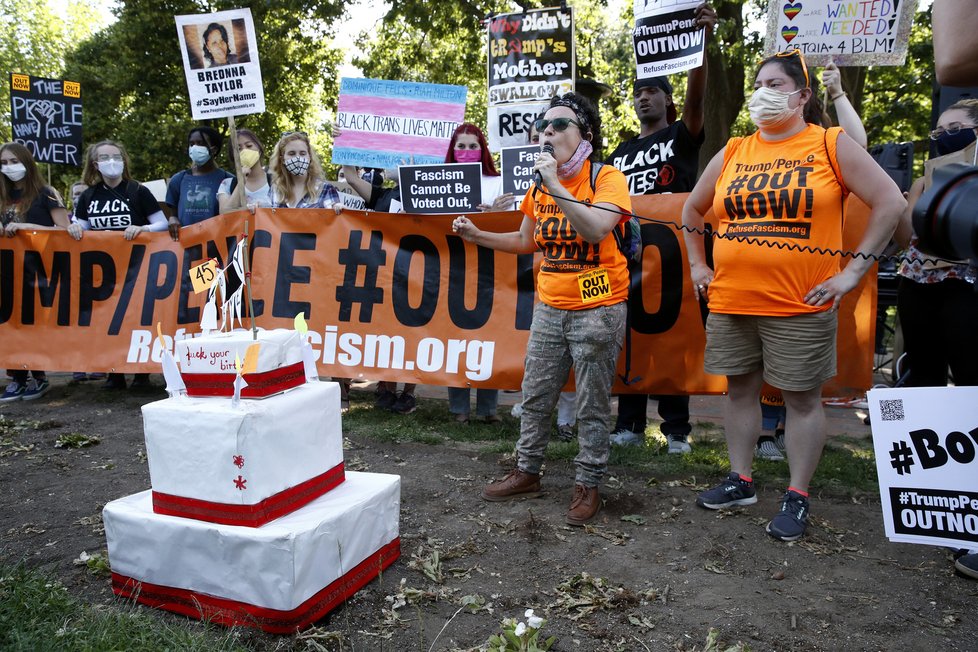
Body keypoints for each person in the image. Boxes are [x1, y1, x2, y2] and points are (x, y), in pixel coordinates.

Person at [681, 50, 904, 541]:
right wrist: (698, 264)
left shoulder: (830, 144)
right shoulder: (735, 150)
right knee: (739, 390)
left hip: (800, 304)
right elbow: (693, 210)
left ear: (803, 95)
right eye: (758, 82)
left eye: (776, 83)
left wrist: (851, 274)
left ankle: (797, 494)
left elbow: (890, 201)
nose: (763, 91)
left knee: (802, 401)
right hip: (733, 300)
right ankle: (741, 480)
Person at [453, 92, 632, 526]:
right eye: (544, 127)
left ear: (586, 135)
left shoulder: (606, 178)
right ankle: (527, 471)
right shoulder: (539, 186)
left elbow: (593, 231)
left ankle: (588, 483)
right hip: (550, 305)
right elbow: (524, 241)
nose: (548, 133)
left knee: (591, 402)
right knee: (535, 395)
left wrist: (555, 185)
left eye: (560, 125)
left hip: (600, 307)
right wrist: (477, 236)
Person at [605, 1, 716, 455]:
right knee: (629, 335)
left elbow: (696, 101)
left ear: (667, 99)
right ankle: (629, 424)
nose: (643, 97)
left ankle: (676, 430)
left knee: (673, 337)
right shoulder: (620, 150)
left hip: (673, 260)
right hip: (626, 257)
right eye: (638, 92)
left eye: (652, 90)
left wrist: (701, 46)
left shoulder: (680, 137)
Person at [68, 140, 169, 390]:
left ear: (123, 160)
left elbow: (162, 223)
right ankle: (115, 374)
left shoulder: (138, 191)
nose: (111, 161)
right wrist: (74, 227)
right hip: (104, 274)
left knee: (137, 322)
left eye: (115, 156)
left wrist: (142, 228)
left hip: (138, 269)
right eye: (105, 157)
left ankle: (141, 375)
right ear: (95, 164)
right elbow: (82, 226)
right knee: (108, 324)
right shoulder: (89, 195)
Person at [444, 123, 514, 424]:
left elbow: (514, 222)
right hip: (452, 267)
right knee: (452, 337)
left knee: (490, 336)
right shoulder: (439, 181)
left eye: (473, 146)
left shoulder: (497, 181)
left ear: (482, 149)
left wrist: (495, 213)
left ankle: (488, 409)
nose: (467, 152)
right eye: (461, 146)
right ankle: (458, 407)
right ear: (452, 149)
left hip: (491, 267)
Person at [340, 163, 418, 414]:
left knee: (414, 333)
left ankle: (407, 393)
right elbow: (351, 177)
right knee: (388, 330)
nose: (397, 164)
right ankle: (386, 388)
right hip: (384, 274)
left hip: (418, 274)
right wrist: (346, 142)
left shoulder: (430, 194)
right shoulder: (382, 195)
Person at [0, 142, 70, 402]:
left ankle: (38, 376)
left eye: (14, 161)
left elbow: (65, 231)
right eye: (4, 163)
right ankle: (16, 377)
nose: (9, 167)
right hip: (5, 273)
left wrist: (29, 226)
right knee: (9, 324)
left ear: (27, 162)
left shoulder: (45, 193)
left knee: (31, 324)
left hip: (36, 272)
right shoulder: (1, 194)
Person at [165, 126, 233, 237]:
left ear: (214, 149)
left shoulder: (228, 180)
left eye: (200, 143)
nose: (195, 147)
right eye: (191, 144)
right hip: (186, 246)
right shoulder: (178, 179)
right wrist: (172, 219)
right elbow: (172, 214)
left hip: (218, 245)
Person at [268, 131, 339, 209]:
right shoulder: (276, 189)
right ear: (282, 159)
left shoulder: (325, 189)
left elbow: (335, 217)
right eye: (292, 154)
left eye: (302, 153)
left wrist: (338, 208)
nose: (298, 158)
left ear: (309, 157)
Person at [217, 128, 271, 213]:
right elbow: (225, 214)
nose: (245, 151)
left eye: (249, 146)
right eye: (239, 149)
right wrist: (241, 182)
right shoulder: (227, 184)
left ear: (259, 149)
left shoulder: (277, 182)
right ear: (233, 156)